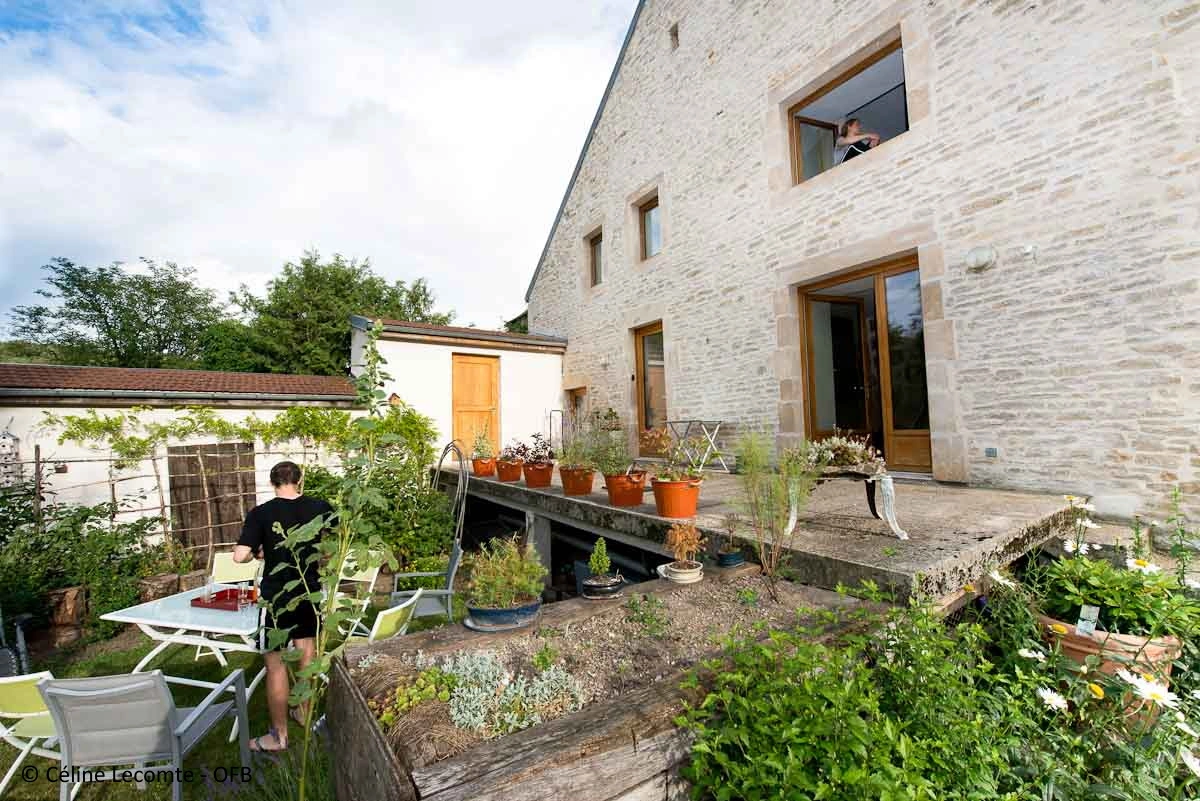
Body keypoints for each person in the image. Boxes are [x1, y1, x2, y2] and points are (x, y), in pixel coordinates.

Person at [233, 460, 332, 752]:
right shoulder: (320, 507)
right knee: (307, 655)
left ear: (272, 483)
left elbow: (239, 557)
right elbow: (338, 533)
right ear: (299, 481)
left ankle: (278, 737)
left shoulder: (261, 513)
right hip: (309, 592)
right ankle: (304, 712)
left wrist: (257, 554)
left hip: (276, 597)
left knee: (275, 664)